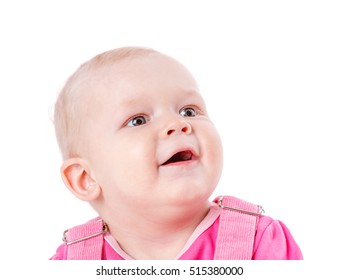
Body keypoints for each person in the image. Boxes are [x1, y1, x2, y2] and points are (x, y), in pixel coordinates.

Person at [50, 47, 302, 260]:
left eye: (189, 111)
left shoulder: (261, 243)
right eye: (138, 120)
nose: (178, 124)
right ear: (86, 178)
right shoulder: (72, 262)